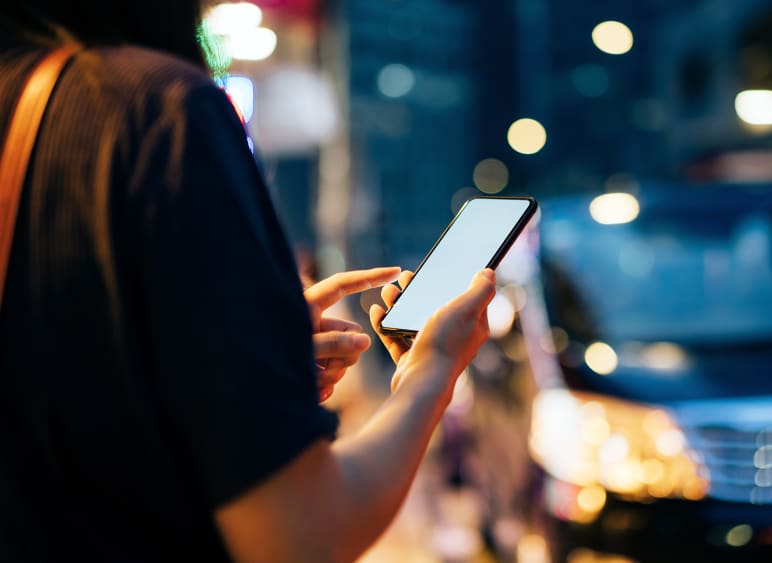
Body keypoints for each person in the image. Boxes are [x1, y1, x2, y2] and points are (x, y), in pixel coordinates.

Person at [0, 1, 496, 561]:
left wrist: (244, 360)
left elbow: (74, 385)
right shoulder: (156, 107)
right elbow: (303, 538)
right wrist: (432, 372)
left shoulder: (20, 93)